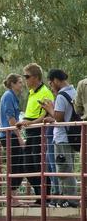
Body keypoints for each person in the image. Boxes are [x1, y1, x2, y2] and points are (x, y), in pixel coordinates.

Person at [16, 63, 54, 204]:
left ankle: (46, 197)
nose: (25, 80)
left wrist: (28, 123)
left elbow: (46, 116)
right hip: (30, 132)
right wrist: (24, 122)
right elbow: (30, 115)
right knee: (27, 166)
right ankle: (40, 196)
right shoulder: (32, 93)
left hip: (40, 132)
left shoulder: (45, 92)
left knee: (40, 165)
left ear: (36, 77)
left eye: (27, 77)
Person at [41, 69, 78, 207]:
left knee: (64, 170)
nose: (51, 86)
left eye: (51, 83)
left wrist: (50, 109)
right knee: (65, 168)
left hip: (62, 138)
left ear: (56, 80)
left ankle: (71, 200)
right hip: (70, 137)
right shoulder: (73, 92)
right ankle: (65, 199)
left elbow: (60, 118)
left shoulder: (62, 96)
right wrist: (53, 117)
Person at [0, 73, 25, 202]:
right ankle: (12, 198)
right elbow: (10, 118)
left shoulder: (12, 96)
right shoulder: (8, 96)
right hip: (10, 136)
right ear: (13, 84)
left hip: (10, 134)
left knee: (18, 164)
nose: (22, 84)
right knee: (15, 165)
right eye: (19, 82)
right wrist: (19, 137)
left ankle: (13, 195)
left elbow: (1, 113)